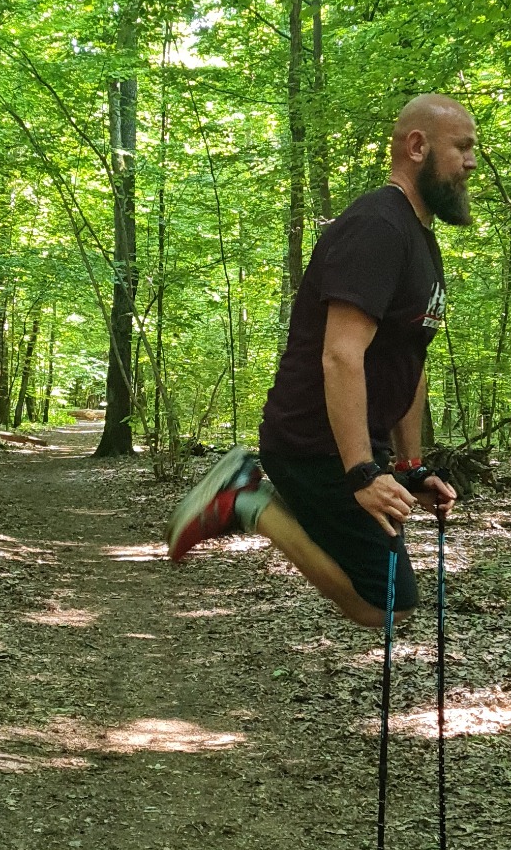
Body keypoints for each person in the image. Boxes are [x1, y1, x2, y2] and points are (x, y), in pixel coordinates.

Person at [167, 94, 476, 629]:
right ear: (417, 146)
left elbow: (409, 357)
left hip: (349, 446)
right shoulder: (378, 227)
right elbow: (340, 355)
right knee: (386, 606)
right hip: (316, 444)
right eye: (463, 147)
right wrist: (360, 472)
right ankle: (247, 501)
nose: (471, 162)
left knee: (386, 602)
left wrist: (410, 466)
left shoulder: (419, 236)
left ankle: (249, 496)